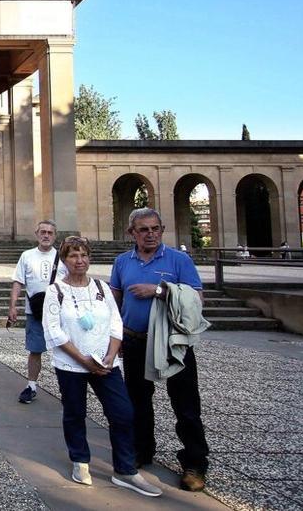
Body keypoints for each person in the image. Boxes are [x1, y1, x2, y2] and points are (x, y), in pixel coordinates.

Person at [43, 236, 162, 497]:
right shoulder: (55, 290)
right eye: (74, 256)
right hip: (72, 364)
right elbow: (53, 331)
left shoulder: (101, 287)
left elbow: (115, 322)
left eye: (84, 255)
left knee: (122, 412)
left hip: (106, 362)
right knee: (75, 412)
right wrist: (83, 360)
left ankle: (125, 469)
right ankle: (80, 460)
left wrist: (110, 355)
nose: (80, 260)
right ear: (64, 260)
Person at [111, 208, 210, 492]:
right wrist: (114, 339)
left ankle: (194, 463)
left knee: (186, 404)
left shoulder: (179, 259)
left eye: (155, 228)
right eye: (143, 229)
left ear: (162, 229)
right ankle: (142, 451)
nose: (151, 234)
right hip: (135, 339)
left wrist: (159, 290)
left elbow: (196, 299)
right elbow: (115, 303)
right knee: (137, 401)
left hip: (172, 340)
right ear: (132, 233)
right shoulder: (122, 262)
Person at [8, 220, 67, 404]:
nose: (46, 235)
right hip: (35, 311)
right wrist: (13, 305)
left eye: (50, 232)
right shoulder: (27, 256)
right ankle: (31, 385)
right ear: (37, 234)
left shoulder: (63, 257)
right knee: (35, 349)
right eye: (43, 232)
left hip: (60, 312)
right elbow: (18, 281)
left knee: (65, 350)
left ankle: (68, 388)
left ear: (55, 235)